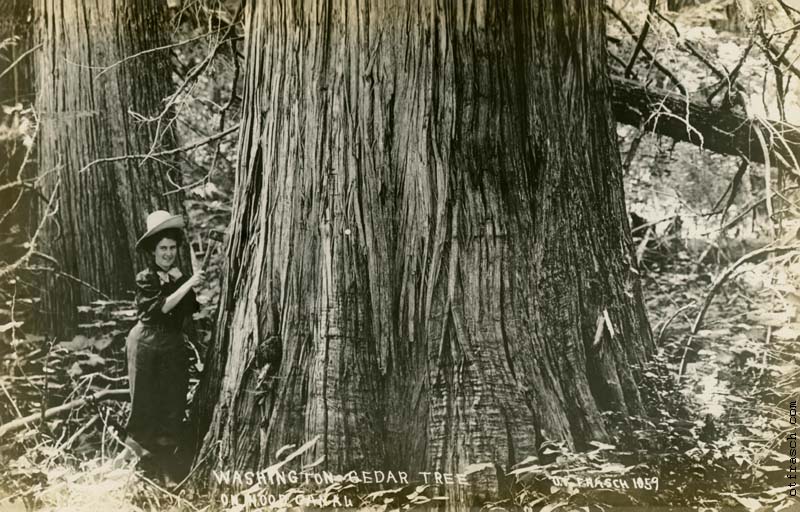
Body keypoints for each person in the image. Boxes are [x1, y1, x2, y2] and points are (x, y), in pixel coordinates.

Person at [124, 210, 204, 483]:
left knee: (173, 401)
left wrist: (189, 283)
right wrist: (187, 283)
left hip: (172, 344)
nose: (168, 253)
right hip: (145, 343)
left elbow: (191, 308)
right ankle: (145, 467)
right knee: (145, 402)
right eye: (163, 249)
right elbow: (161, 308)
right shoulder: (145, 278)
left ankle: (169, 468)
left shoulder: (179, 277)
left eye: (172, 248)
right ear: (153, 251)